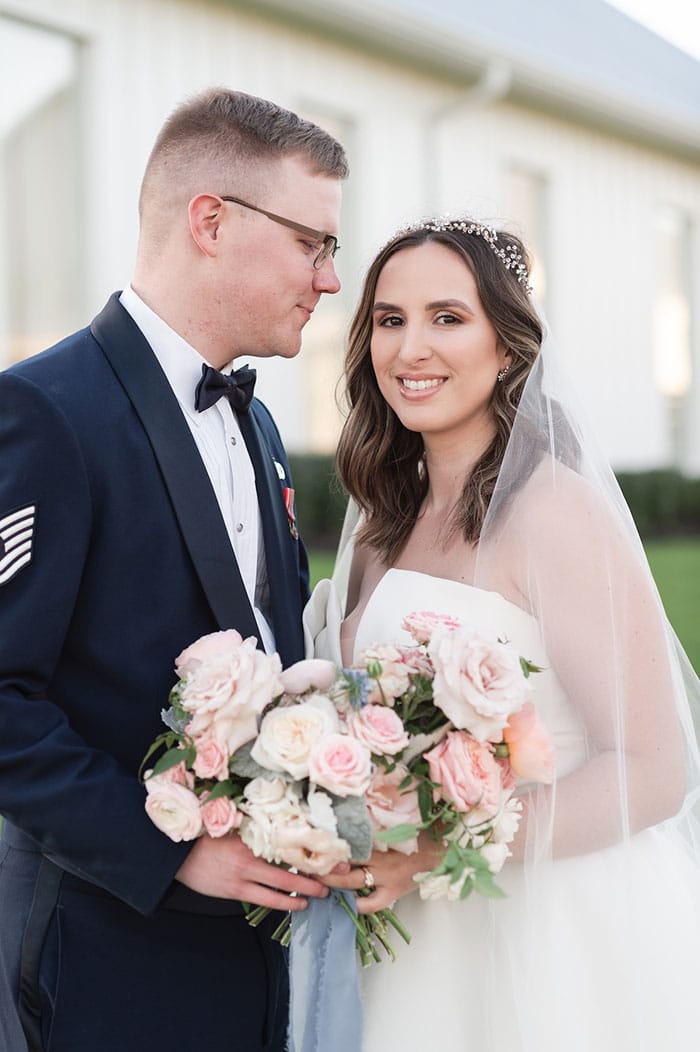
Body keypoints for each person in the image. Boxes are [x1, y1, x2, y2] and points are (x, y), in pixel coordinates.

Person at [0, 87, 347, 1051]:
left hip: (252, 959)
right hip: (105, 956)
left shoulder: (261, 421)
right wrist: (173, 848)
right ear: (212, 222)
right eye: (313, 245)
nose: (328, 280)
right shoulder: (45, 412)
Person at [304, 218, 700, 1051]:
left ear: (509, 346)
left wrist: (441, 844)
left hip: (547, 926)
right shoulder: (387, 519)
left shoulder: (555, 512)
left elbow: (658, 769)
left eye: (449, 317)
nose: (413, 348)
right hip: (414, 933)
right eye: (390, 318)